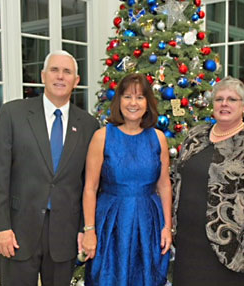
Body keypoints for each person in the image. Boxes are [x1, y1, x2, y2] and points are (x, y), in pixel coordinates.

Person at [0, 50, 100, 286]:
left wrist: (84, 228)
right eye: (54, 70)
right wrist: (0, 227)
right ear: (43, 75)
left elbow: (90, 184)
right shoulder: (13, 113)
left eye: (67, 72)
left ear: (76, 81)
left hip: (64, 235)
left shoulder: (89, 125)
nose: (60, 76)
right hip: (16, 232)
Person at [171, 76, 244, 286]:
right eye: (219, 99)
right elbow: (176, 179)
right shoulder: (196, 136)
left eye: (232, 99)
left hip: (235, 247)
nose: (224, 103)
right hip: (189, 243)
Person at [82, 73, 172, 285]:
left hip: (148, 222)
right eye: (127, 97)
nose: (133, 103)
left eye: (140, 97)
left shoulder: (158, 138)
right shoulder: (102, 137)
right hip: (111, 224)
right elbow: (90, 188)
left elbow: (165, 185)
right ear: (118, 101)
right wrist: (89, 231)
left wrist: (167, 227)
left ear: (147, 103)